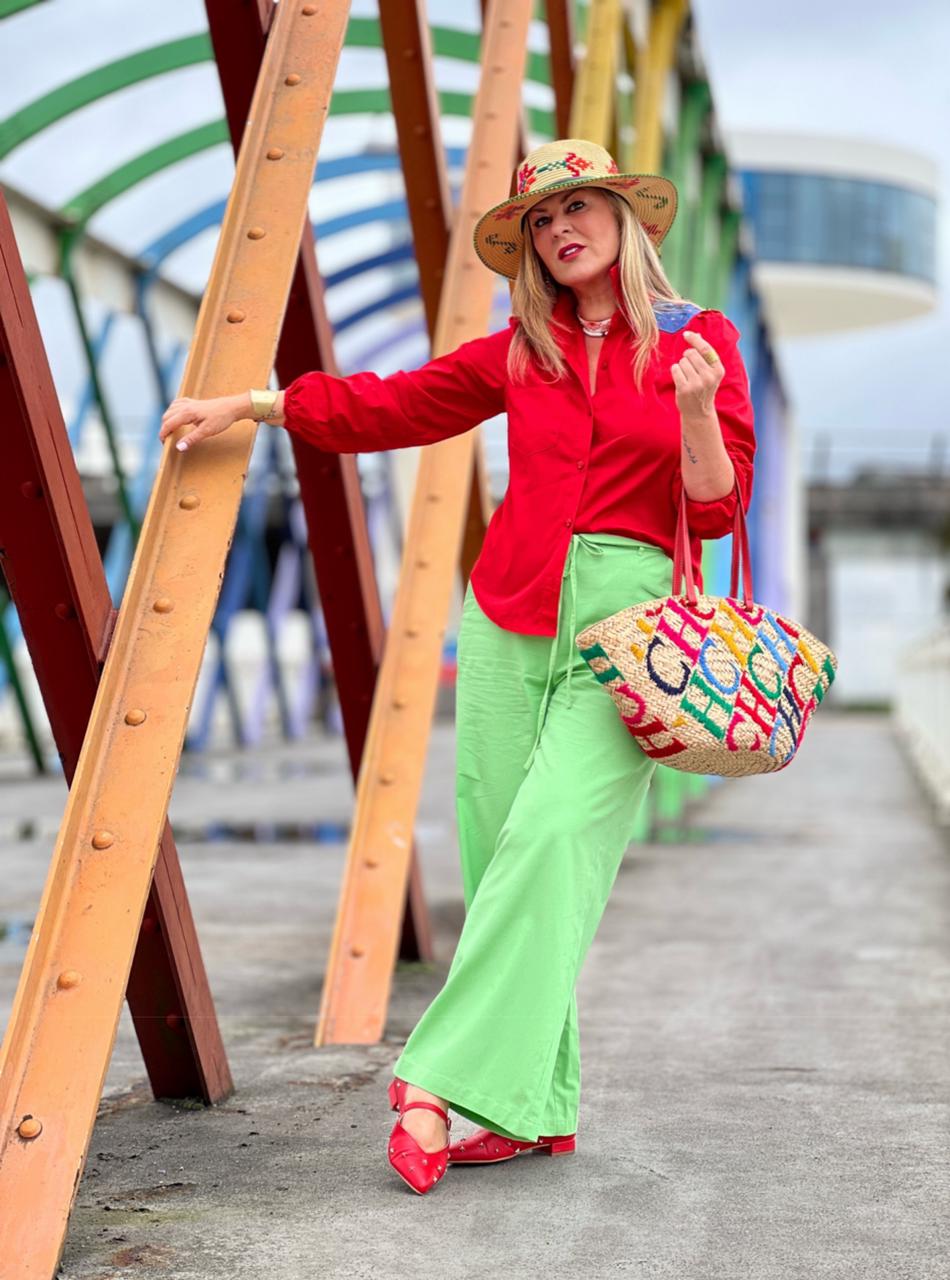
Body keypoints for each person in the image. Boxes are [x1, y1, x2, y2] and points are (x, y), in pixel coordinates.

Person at [159, 138, 756, 1197]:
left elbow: (715, 505)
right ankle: (529, 1109)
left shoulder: (697, 339)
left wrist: (698, 405)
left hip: (632, 631)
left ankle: (433, 1082)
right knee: (497, 860)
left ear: (624, 218)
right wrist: (250, 408)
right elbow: (388, 405)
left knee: (550, 837)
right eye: (539, 219)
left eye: (579, 206)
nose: (560, 227)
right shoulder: (519, 350)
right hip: (506, 614)